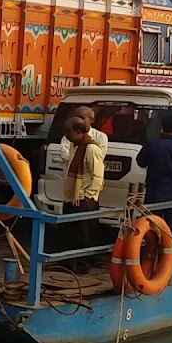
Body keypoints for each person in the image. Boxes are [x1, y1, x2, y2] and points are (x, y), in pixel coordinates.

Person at [61, 117, 105, 273]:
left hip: (83, 199)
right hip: (72, 197)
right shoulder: (76, 146)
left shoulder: (91, 149)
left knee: (84, 234)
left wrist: (89, 197)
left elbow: (97, 175)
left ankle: (83, 264)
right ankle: (70, 262)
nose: (66, 135)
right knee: (69, 232)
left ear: (78, 132)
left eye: (68, 132)